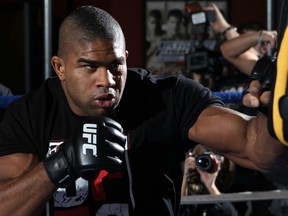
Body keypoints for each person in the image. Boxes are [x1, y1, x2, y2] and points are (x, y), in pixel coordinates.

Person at [0, 5, 287, 216]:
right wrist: (62, 164)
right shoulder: (31, 115)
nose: (107, 80)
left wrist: (277, 114)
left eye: (115, 65)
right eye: (89, 67)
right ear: (60, 67)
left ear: (126, 58)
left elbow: (256, 150)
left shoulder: (167, 98)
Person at [180, 145, 238, 216]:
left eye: (217, 156)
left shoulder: (234, 188)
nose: (211, 160)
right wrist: (185, 176)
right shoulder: (187, 187)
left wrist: (211, 187)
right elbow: (178, 211)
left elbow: (230, 213)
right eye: (205, 156)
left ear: (225, 162)